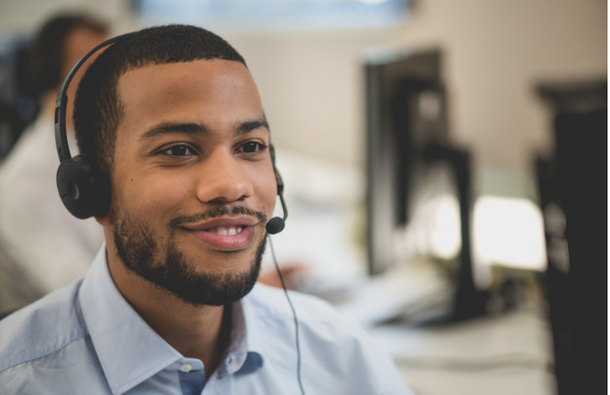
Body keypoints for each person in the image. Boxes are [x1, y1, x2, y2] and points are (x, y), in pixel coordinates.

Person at [0, 25, 412, 394]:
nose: (232, 184)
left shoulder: (341, 355)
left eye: (250, 146)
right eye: (178, 150)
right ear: (90, 190)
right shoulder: (17, 377)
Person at [0, 13, 109, 312]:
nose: (116, 77)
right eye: (100, 67)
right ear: (58, 76)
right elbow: (84, 294)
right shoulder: (26, 179)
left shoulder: (104, 145)